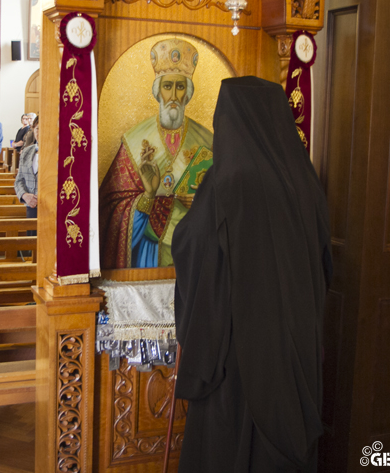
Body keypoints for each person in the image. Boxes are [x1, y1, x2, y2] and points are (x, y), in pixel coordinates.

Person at [172, 77, 332, 473]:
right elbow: (323, 264)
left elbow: (194, 247)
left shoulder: (227, 182)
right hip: (295, 346)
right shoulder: (306, 182)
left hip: (239, 352)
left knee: (229, 446)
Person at [100, 38, 213, 269]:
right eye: (167, 86)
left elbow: (226, 198)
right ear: (157, 91)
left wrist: (203, 202)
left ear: (188, 93)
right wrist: (148, 197)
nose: (173, 95)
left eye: (180, 87)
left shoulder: (208, 140)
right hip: (148, 252)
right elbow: (112, 207)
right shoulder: (133, 140)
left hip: (195, 250)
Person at [14, 116, 39, 236]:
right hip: (31, 205)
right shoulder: (27, 152)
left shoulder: (59, 153)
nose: (40, 132)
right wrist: (24, 195)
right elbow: (19, 180)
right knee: (31, 242)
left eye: (44, 128)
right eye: (37, 128)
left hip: (50, 206)